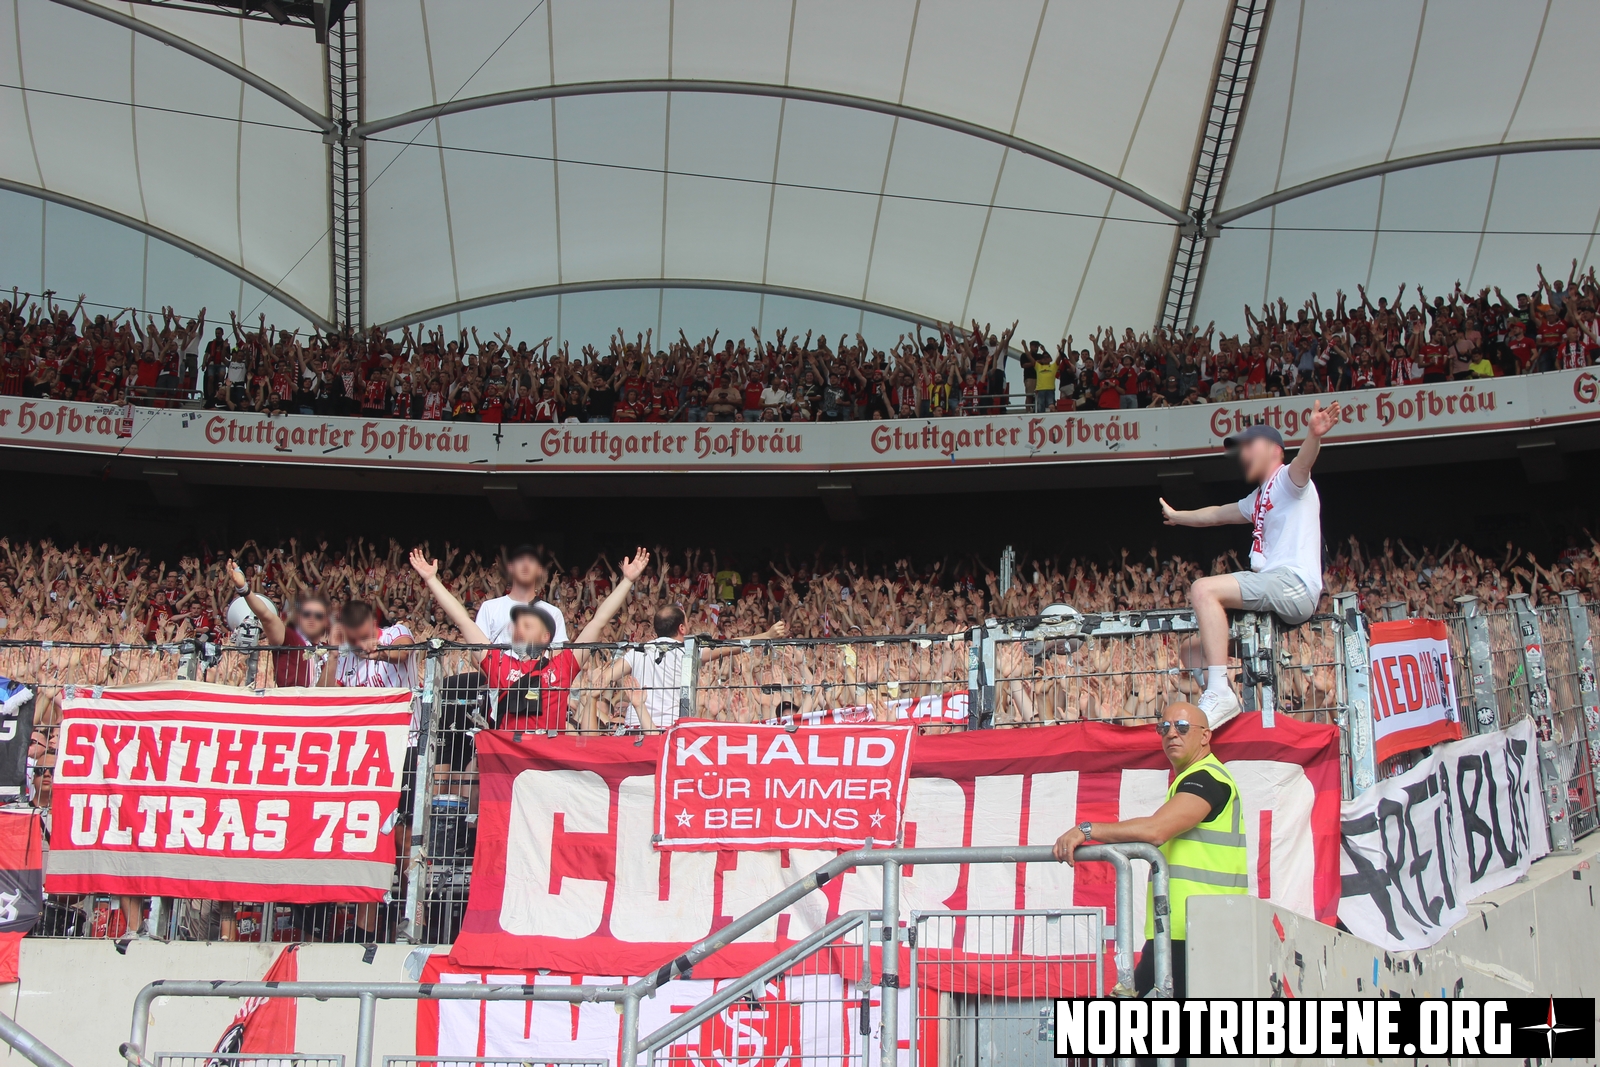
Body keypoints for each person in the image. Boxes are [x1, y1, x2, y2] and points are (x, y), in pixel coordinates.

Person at [1157, 401, 1339, 727]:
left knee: (1203, 589)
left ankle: (1219, 693)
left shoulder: (1287, 480)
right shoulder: (1257, 498)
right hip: (1273, 587)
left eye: (1250, 445)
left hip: (1293, 584)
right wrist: (1177, 516)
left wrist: (1313, 435)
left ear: (1274, 450)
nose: (1243, 454)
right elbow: (1216, 514)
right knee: (1191, 651)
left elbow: (1303, 463)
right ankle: (1232, 711)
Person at [1051, 700, 1246, 999]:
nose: (1172, 734)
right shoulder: (1192, 779)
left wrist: (1087, 830)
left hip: (1200, 932)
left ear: (1205, 736)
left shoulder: (1208, 778)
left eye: (1182, 727)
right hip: (1180, 930)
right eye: (1163, 728)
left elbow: (1156, 830)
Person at [408, 546, 649, 731]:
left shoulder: (562, 666)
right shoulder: (501, 665)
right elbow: (463, 620)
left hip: (547, 763)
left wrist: (627, 581)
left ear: (546, 636)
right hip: (510, 761)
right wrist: (431, 580)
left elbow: (598, 621)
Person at [609, 604, 787, 731]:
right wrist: (767, 635)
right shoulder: (689, 652)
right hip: (670, 730)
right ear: (682, 628)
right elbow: (730, 646)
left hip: (635, 728)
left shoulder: (636, 652)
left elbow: (605, 678)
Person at [225, 560, 333, 688]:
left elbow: (327, 690)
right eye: (306, 614)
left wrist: (334, 659)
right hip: (289, 699)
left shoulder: (328, 651)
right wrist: (244, 589)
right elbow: (266, 616)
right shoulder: (292, 639)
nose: (312, 618)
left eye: (318, 615)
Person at [474, 545, 568, 646]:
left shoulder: (553, 613)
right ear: (510, 568)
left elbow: (558, 654)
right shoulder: (489, 608)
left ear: (539, 570)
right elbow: (478, 652)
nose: (526, 565)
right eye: (520, 560)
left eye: (531, 561)